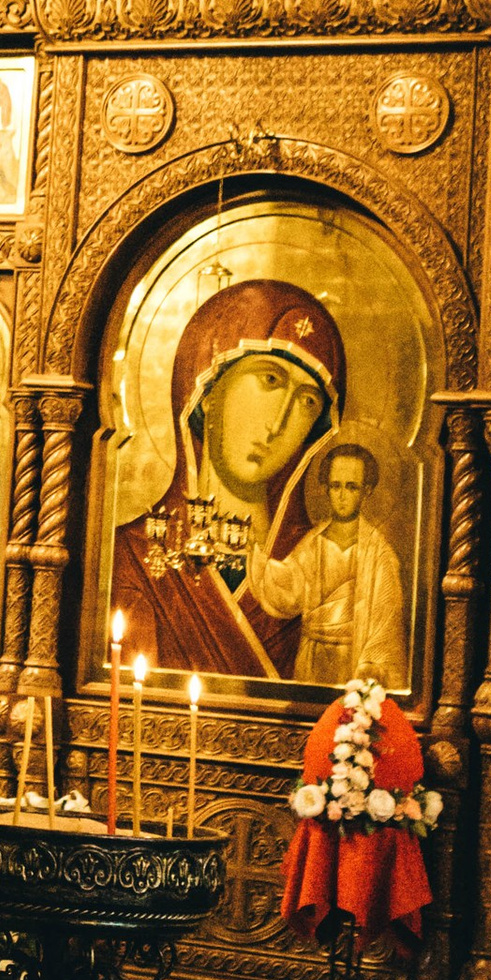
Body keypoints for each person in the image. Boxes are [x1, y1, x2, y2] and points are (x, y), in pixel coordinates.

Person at [109, 277, 346, 680]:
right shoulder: (132, 557)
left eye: (307, 402)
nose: (279, 424)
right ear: (208, 389)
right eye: (270, 380)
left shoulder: (322, 569)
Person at [249, 437, 408, 689]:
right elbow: (287, 589)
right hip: (311, 660)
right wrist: (254, 554)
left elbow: (385, 624)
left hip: (354, 663)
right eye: (336, 486)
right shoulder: (313, 543)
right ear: (325, 489)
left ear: (366, 491)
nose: (342, 496)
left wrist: (368, 674)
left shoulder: (379, 554)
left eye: (351, 487)